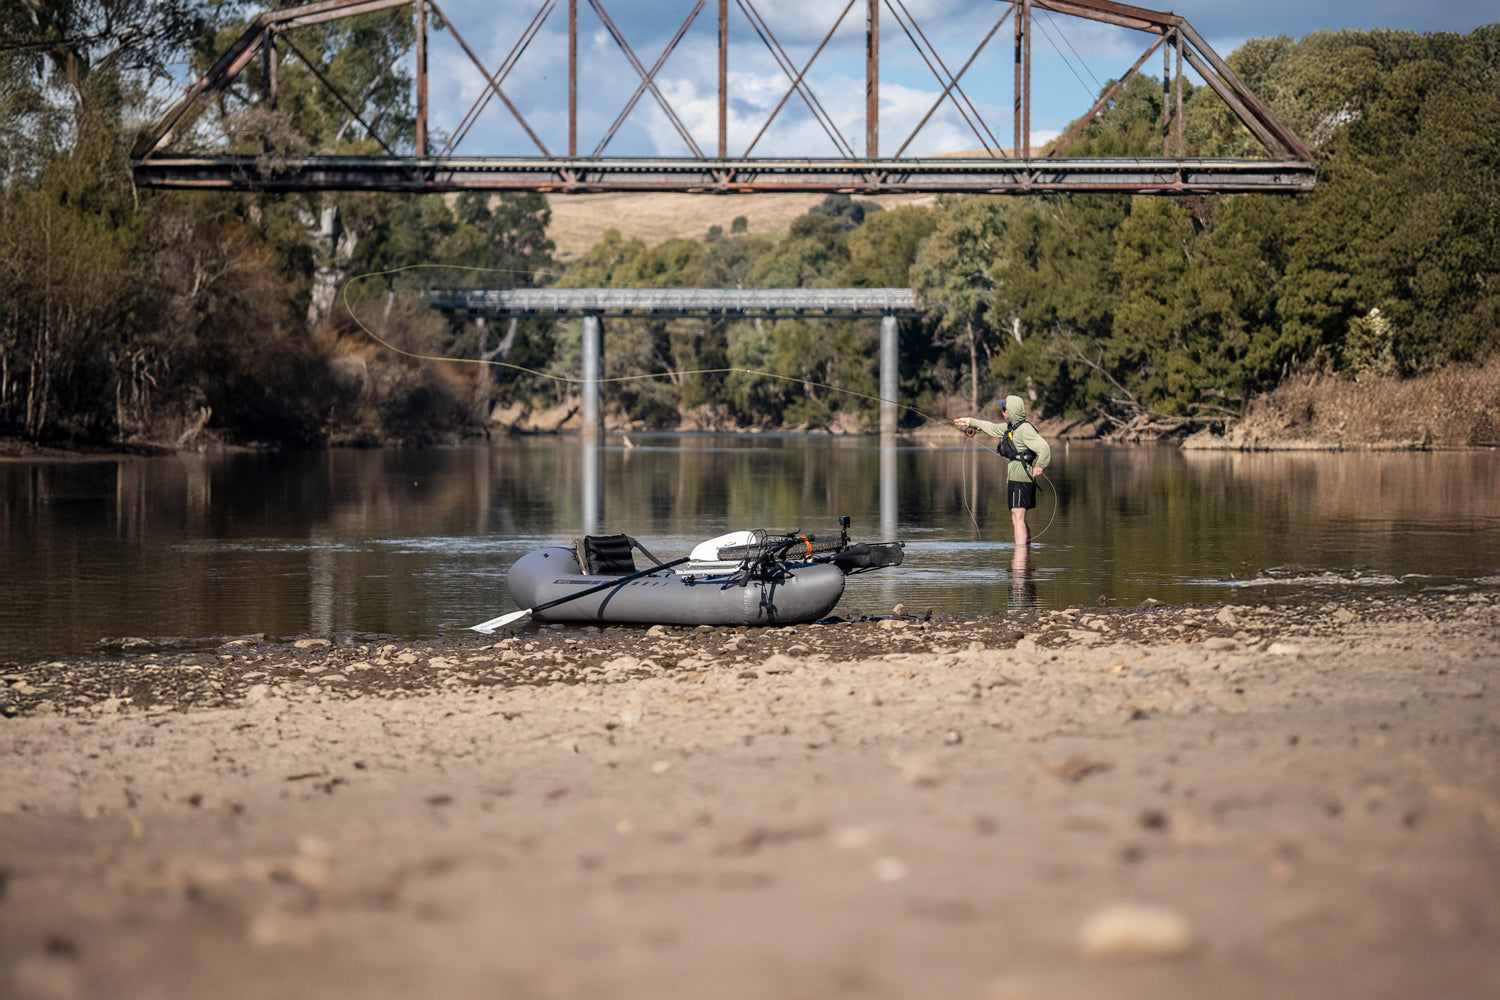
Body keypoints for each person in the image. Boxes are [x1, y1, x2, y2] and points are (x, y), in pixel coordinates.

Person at [953, 394, 1051, 547]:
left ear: (1012, 411)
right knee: (1018, 517)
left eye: (1005, 409)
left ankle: (1020, 554)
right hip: (1016, 478)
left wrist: (1041, 465)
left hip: (1022, 478)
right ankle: (1025, 553)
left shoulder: (1025, 429)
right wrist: (969, 421)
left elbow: (1044, 447)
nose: (1003, 412)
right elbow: (991, 427)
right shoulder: (1011, 427)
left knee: (1017, 517)